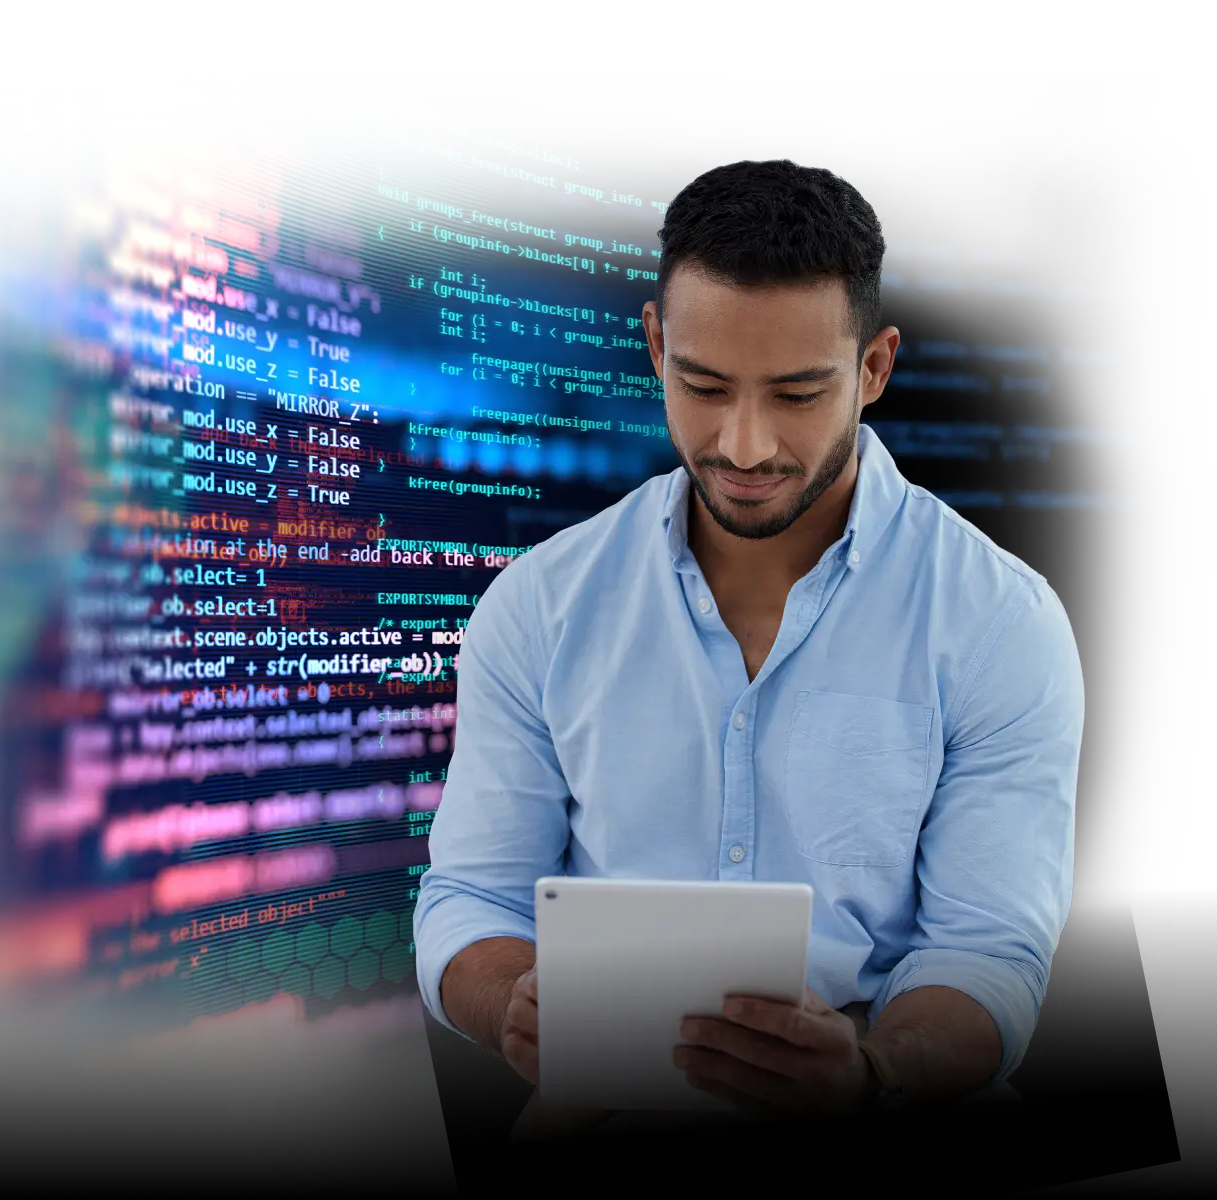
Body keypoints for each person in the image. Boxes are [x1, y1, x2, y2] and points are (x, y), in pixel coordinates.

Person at [412, 156, 1085, 1135]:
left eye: (798, 394)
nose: (744, 445)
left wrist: (868, 1071)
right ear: (653, 345)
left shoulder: (999, 622)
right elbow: (470, 896)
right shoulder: (539, 605)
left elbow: (986, 951)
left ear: (875, 369)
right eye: (704, 384)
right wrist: (514, 1003)